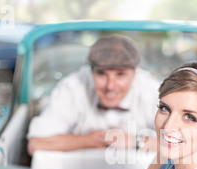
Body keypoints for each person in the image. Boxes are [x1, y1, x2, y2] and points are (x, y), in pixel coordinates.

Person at [27, 35, 159, 156]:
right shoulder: (72, 87)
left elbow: (179, 147)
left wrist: (135, 142)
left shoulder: (152, 90)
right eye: (101, 74)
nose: (110, 86)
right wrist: (90, 140)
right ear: (91, 71)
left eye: (120, 75)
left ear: (135, 73)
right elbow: (36, 144)